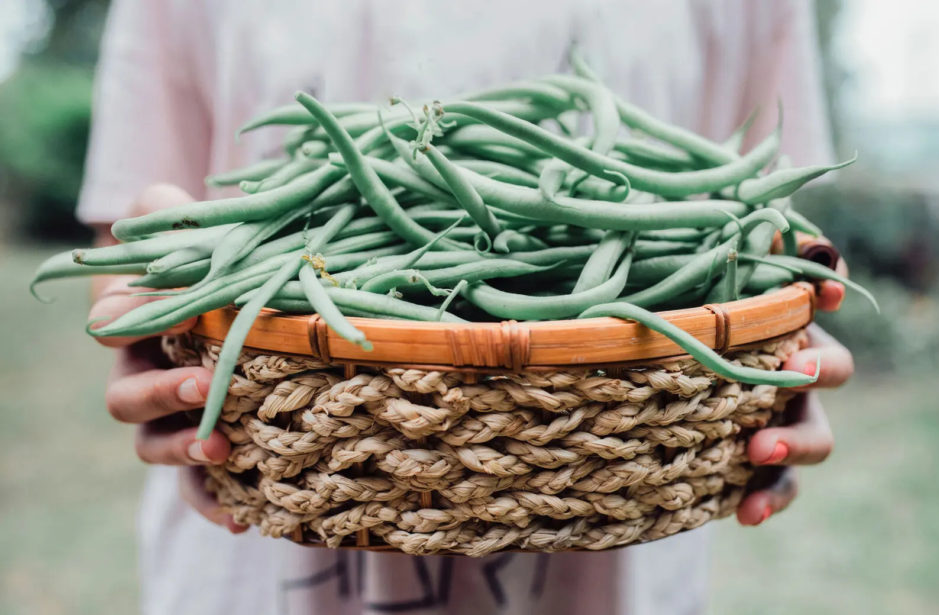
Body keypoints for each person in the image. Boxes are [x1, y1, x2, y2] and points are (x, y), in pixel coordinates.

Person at [81, 1, 854, 613]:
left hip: (615, 523)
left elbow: (773, 245)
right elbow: (136, 239)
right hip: (259, 540)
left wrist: (776, 362)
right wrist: (158, 324)